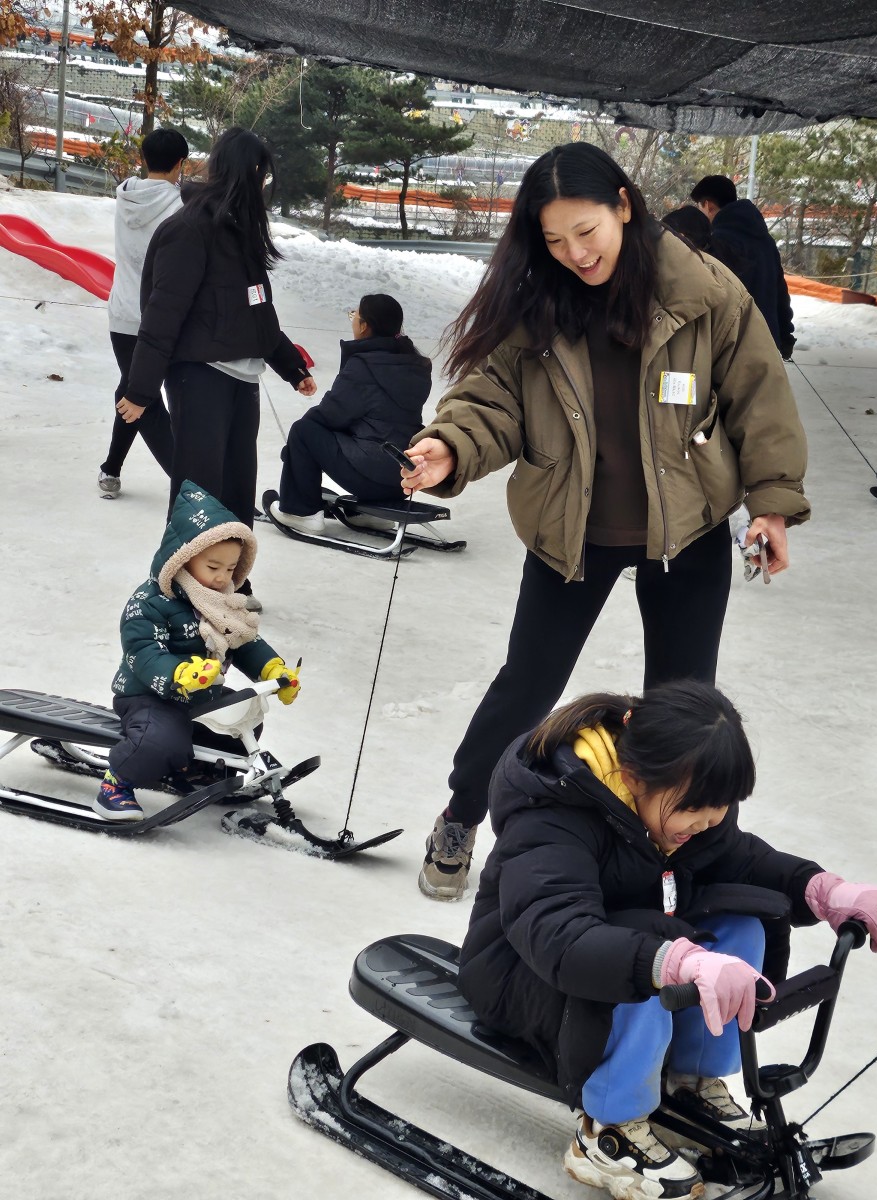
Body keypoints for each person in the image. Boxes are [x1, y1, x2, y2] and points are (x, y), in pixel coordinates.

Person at [400, 142, 810, 901]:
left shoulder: (704, 290)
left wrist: (773, 505)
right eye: (554, 240)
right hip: (573, 533)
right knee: (528, 689)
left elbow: (760, 396)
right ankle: (462, 811)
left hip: (686, 534)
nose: (574, 253)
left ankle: (683, 859)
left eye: (586, 231)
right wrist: (447, 447)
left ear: (625, 205)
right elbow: (492, 402)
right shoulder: (538, 304)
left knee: (688, 709)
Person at [457, 680, 877, 1199]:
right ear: (633, 777)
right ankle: (608, 1131)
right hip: (520, 973)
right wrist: (671, 961)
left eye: (720, 808)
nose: (709, 822)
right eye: (697, 808)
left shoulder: (677, 809)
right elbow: (558, 933)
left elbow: (740, 859)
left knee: (738, 925)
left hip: (609, 967)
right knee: (646, 951)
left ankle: (691, 1085)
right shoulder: (553, 813)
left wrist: (820, 889)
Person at [118, 127, 317, 542]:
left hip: (241, 378)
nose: (260, 185)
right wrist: (140, 391)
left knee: (237, 489)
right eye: (256, 174)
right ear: (232, 172)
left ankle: (230, 584)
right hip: (200, 375)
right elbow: (162, 314)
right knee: (199, 491)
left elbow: (257, 310)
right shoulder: (188, 230)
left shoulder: (237, 231)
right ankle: (182, 586)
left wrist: (291, 366)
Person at [95, 480, 300, 821]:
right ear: (183, 559)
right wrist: (178, 674)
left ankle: (201, 770)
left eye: (232, 569)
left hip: (201, 693)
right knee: (161, 741)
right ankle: (117, 783)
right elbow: (143, 651)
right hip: (149, 696)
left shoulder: (221, 603)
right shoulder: (151, 601)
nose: (223, 578)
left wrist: (274, 671)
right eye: (213, 567)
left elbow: (244, 642)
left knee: (244, 717)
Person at [270, 294, 431, 535]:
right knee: (349, 433)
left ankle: (300, 512)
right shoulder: (416, 364)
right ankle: (370, 511)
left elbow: (331, 414)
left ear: (365, 326)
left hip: (370, 472)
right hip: (401, 474)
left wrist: (295, 449)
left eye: (354, 315)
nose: (353, 319)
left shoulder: (364, 366)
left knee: (303, 431)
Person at [99, 127, 188, 499]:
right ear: (180, 164)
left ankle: (110, 468)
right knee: (143, 399)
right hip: (160, 318)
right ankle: (188, 483)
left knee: (131, 389)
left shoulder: (125, 196)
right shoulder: (181, 209)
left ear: (143, 158)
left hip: (121, 314)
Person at [689, 175, 796, 360]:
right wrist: (785, 335)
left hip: (730, 346)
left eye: (699, 207)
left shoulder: (716, 244)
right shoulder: (766, 241)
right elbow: (779, 291)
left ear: (707, 205)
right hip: (766, 342)